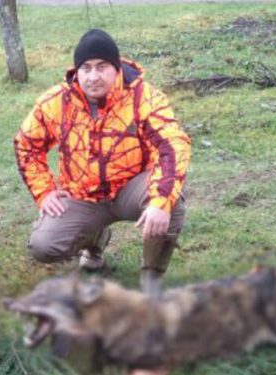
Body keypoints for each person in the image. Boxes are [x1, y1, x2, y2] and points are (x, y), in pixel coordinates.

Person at [13, 29, 191, 296]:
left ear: (116, 69)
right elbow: (26, 144)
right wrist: (44, 191)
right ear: (76, 71)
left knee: (171, 205)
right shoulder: (56, 102)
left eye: (102, 67)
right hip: (83, 196)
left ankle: (151, 279)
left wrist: (161, 200)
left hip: (131, 189)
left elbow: (172, 145)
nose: (93, 76)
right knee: (44, 246)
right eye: (86, 68)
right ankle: (94, 244)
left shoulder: (144, 97)